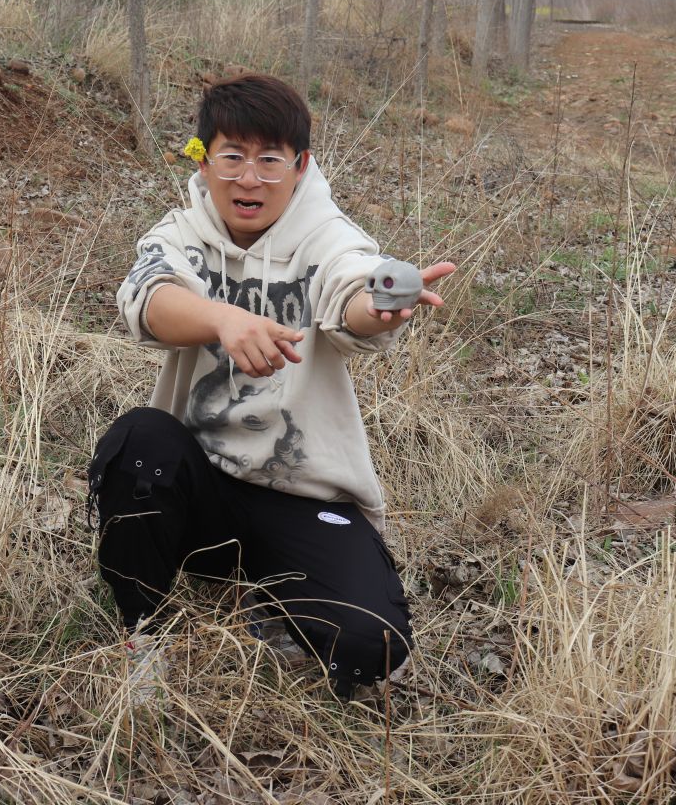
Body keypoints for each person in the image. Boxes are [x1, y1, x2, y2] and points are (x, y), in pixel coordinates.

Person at [89, 73, 456, 703]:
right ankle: (141, 635)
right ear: (203, 160)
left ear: (300, 164)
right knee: (140, 441)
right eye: (230, 157)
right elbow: (147, 301)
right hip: (200, 487)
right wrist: (224, 319)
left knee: (373, 645)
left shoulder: (327, 237)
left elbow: (353, 293)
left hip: (300, 490)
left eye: (269, 160)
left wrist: (384, 301)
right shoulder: (179, 234)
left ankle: (271, 592)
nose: (249, 179)